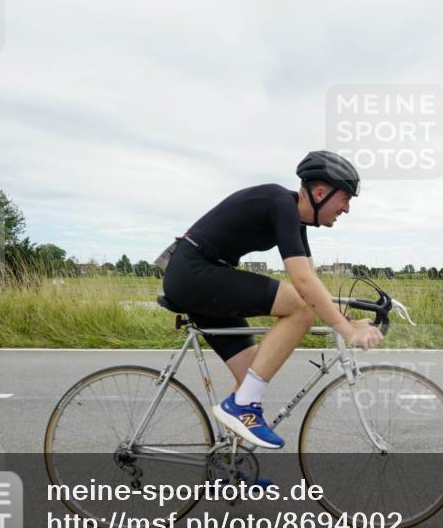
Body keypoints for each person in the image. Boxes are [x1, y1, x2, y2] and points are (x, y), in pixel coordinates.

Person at [162, 151, 384, 450]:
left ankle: (230, 466)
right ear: (320, 193)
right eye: (345, 199)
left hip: (204, 276)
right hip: (193, 273)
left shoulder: (295, 220)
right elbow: (302, 287)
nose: (345, 209)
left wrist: (346, 320)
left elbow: (311, 282)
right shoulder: (281, 203)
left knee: (254, 371)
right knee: (299, 310)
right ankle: (242, 408)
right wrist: (348, 332)